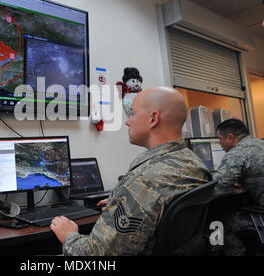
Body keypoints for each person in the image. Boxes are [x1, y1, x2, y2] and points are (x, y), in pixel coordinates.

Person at [50, 86, 212, 255]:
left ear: (153, 118)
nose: (128, 121)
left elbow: (97, 254)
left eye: (133, 113)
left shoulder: (142, 181)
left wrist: (69, 235)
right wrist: (124, 204)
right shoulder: (194, 162)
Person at [212, 118, 264, 256]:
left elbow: (216, 188)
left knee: (217, 222)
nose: (219, 143)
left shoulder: (237, 153)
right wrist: (246, 183)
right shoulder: (260, 143)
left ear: (230, 137)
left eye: (220, 138)